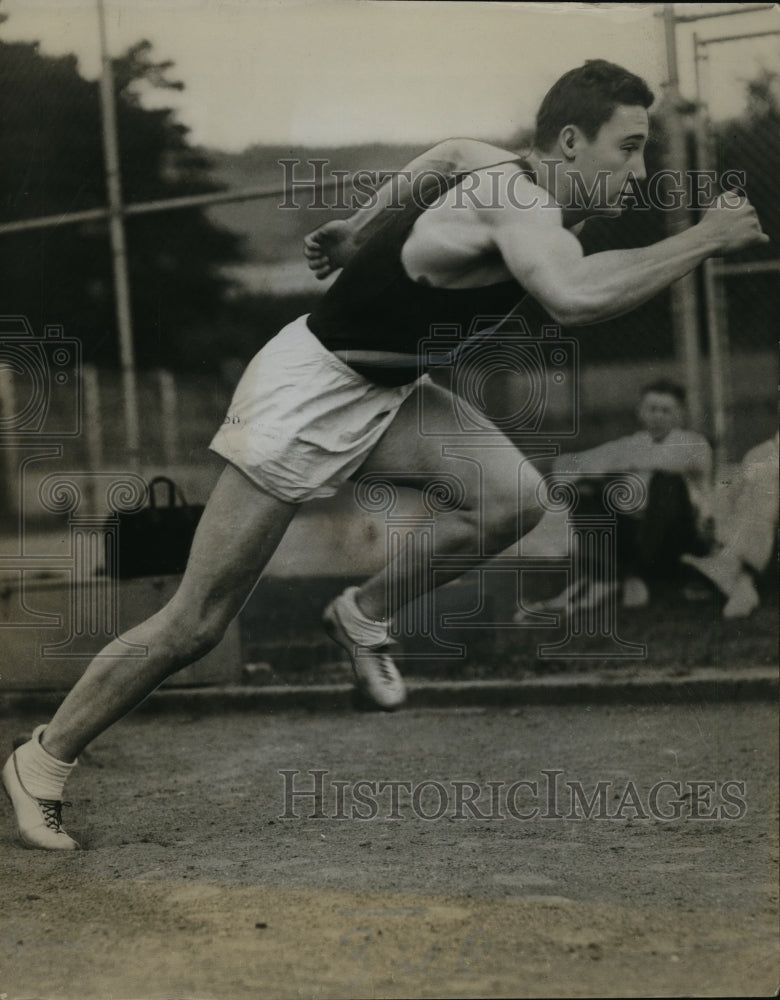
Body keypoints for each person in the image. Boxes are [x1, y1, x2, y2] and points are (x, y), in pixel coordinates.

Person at [3, 60, 767, 851]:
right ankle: (42, 761)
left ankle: (363, 615)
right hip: (307, 396)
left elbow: (439, 157)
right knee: (195, 623)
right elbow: (574, 297)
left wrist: (359, 230)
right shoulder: (524, 206)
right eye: (629, 147)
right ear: (571, 141)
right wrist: (706, 237)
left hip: (387, 389)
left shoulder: (494, 163)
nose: (638, 171)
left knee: (515, 498)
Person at [515, 379, 715, 617]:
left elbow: (667, 461)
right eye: (652, 409)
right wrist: (578, 473)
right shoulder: (633, 443)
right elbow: (568, 464)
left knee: (666, 483)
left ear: (680, 414)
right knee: (585, 489)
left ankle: (636, 575)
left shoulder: (693, 442)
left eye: (666, 410)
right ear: (640, 412)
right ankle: (602, 577)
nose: (658, 416)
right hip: (635, 534)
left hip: (682, 540)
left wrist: (608, 464)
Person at [683, 433, 778, 618]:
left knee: (765, 479)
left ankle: (729, 565)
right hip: (763, 539)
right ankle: (742, 582)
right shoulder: (761, 452)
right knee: (729, 478)